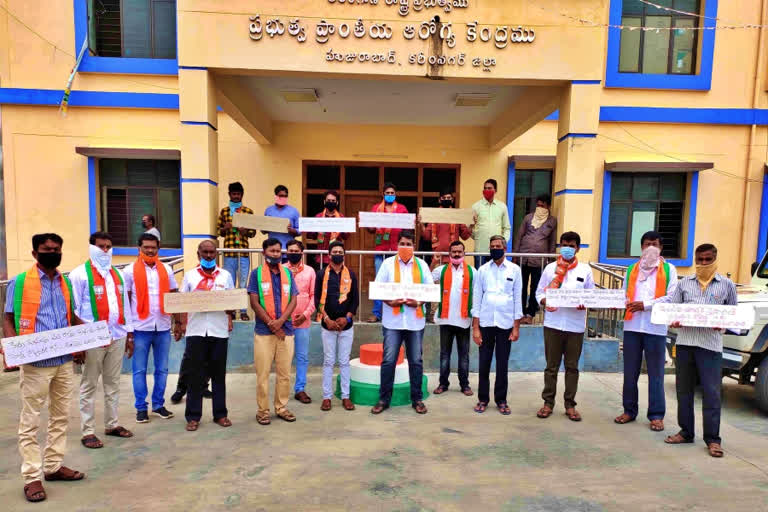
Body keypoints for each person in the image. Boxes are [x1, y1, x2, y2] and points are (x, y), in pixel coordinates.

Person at [2, 233, 86, 503]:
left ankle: (52, 466)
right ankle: (32, 477)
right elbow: (7, 318)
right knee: (30, 421)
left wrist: (90, 333)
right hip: (35, 363)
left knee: (61, 416)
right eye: (46, 249)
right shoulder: (20, 281)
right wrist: (12, 347)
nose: (52, 252)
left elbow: (70, 315)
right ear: (35, 253)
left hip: (63, 361)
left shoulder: (66, 282)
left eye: (56, 248)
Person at [664, 243, 737, 458]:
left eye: (708, 259)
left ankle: (713, 439)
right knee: (683, 390)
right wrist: (674, 322)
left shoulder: (727, 285)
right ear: (695, 259)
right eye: (700, 259)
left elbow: (733, 315)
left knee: (712, 393)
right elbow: (672, 311)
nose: (703, 263)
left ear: (715, 259)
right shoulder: (684, 284)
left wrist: (723, 324)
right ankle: (686, 432)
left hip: (710, 346)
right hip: (685, 343)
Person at [69, 232, 135, 449]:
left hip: (117, 335)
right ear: (91, 247)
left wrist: (130, 334)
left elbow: (125, 305)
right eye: (101, 247)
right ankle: (87, 431)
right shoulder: (79, 275)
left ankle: (112, 424)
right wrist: (78, 344)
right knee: (89, 385)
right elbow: (73, 310)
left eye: (109, 246)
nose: (105, 250)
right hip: (92, 338)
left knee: (113, 383)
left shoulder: (118, 274)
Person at [614, 231, 677, 431]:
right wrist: (621, 302)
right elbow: (624, 293)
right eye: (647, 244)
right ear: (641, 247)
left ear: (660, 248)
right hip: (632, 326)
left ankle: (656, 415)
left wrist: (646, 305)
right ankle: (629, 410)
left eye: (655, 244)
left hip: (655, 328)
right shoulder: (632, 269)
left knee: (656, 373)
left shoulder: (669, 269)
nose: (651, 247)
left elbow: (671, 296)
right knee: (630, 372)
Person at [535, 231, 594, 422]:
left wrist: (585, 302)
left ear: (578, 248)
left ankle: (570, 404)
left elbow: (590, 295)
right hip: (553, 323)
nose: (568, 248)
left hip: (575, 326)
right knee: (551, 367)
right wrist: (545, 301)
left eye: (572, 244)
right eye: (564, 244)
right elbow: (538, 293)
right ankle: (548, 403)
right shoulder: (550, 268)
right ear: (560, 246)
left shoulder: (585, 270)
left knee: (572, 367)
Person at [370, 231, 432, 415]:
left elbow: (429, 290)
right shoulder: (388, 264)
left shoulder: (422, 265)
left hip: (415, 322)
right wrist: (390, 302)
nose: (405, 247)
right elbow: (378, 289)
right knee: (388, 361)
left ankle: (417, 399)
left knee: (416, 361)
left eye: (409, 244)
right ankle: (383, 399)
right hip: (393, 322)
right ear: (397, 245)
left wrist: (419, 302)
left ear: (414, 246)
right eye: (402, 243)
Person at [177, 240, 235, 431]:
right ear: (198, 253)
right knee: (195, 375)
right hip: (196, 331)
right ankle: (193, 417)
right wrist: (181, 323)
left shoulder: (225, 276)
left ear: (216, 254)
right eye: (205, 252)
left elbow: (232, 300)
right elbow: (180, 302)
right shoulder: (189, 276)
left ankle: (220, 414)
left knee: (219, 374)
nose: (209, 256)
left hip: (219, 331)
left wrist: (230, 314)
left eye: (212, 252)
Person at [123, 233, 179, 424]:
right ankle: (141, 407)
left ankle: (158, 405)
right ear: (139, 248)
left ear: (158, 248)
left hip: (163, 326)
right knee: (139, 370)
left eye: (153, 247)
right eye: (146, 247)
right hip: (140, 328)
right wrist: (128, 331)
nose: (150, 250)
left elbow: (173, 294)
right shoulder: (129, 271)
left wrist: (178, 321)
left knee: (162, 369)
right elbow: (126, 300)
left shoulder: (167, 269)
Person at [248, 238, 299, 425]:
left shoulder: (287, 273)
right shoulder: (256, 274)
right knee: (263, 374)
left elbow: (294, 299)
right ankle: (262, 410)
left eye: (278, 251)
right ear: (264, 253)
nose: (276, 254)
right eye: (272, 251)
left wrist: (280, 322)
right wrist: (271, 323)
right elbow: (254, 302)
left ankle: (281, 407)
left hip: (286, 331)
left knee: (284, 373)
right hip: (264, 332)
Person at [470, 236, 522, 414]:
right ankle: (482, 399)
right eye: (492, 246)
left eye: (498, 246)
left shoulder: (515, 270)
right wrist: (475, 328)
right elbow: (476, 299)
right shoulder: (482, 270)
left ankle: (501, 400)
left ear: (505, 248)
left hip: (505, 323)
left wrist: (516, 327)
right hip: (485, 323)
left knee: (502, 364)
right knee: (484, 363)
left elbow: (517, 299)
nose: (494, 249)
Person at [315, 241, 359, 411]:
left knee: (344, 361)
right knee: (328, 361)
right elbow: (317, 298)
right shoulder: (321, 275)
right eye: (335, 251)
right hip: (327, 325)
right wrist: (327, 319)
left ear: (344, 255)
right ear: (329, 254)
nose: (338, 254)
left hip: (346, 326)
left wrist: (346, 319)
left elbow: (355, 300)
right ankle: (327, 397)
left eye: (341, 251)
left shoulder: (351, 274)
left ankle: (346, 397)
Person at [431, 241, 476, 397]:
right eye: (454, 252)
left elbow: (477, 294)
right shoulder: (441, 270)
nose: (456, 254)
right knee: (445, 354)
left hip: (464, 320)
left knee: (464, 355)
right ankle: (443, 384)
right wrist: (434, 261)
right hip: (445, 319)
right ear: (449, 253)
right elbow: (427, 280)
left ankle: (465, 385)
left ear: (464, 254)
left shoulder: (472, 272)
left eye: (459, 252)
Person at [366, 182, 409, 323]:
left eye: (392, 193)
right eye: (387, 193)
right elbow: (371, 230)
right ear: (383, 194)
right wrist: (366, 223)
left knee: (398, 281)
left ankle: (398, 310)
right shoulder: (376, 209)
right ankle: (377, 313)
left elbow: (407, 229)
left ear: (395, 195)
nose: (390, 195)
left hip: (398, 252)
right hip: (381, 252)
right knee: (380, 282)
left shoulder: (402, 209)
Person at [513, 194, 557, 324]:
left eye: (542, 206)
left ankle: (530, 313)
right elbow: (519, 236)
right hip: (523, 258)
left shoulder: (552, 221)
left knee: (535, 287)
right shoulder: (528, 218)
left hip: (539, 260)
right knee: (521, 286)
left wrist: (552, 262)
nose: (540, 208)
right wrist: (515, 256)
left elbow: (552, 241)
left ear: (548, 206)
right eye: (538, 205)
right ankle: (519, 313)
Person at [217, 181, 256, 321]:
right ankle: (231, 311)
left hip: (243, 252)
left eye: (238, 194)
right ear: (229, 194)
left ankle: (244, 311)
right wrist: (225, 228)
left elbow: (253, 233)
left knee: (243, 283)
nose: (236, 196)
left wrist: (245, 231)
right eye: (233, 194)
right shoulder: (224, 211)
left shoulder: (248, 211)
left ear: (242, 195)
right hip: (229, 253)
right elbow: (218, 232)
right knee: (230, 282)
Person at [285, 240, 316, 404]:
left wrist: (305, 314)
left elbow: (313, 296)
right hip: (285, 321)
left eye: (296, 250)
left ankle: (300, 389)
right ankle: (282, 390)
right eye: (291, 250)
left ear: (301, 253)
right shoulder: (282, 269)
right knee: (284, 357)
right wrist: (284, 317)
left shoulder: (310, 271)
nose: (293, 253)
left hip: (303, 321)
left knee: (302, 356)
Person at [421, 188, 472, 267]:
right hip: (437, 259)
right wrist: (421, 224)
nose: (446, 199)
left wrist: (472, 224)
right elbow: (426, 236)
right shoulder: (434, 215)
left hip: (455, 258)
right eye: (444, 198)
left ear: (452, 200)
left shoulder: (457, 215)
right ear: (439, 200)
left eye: (448, 198)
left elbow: (465, 236)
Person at [471, 179, 511, 268]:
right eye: (485, 188)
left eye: (489, 188)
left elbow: (507, 228)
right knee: (480, 277)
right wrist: (477, 236)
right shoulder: (475, 207)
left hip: (497, 250)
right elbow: (470, 228)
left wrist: (502, 242)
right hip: (480, 251)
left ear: (495, 190)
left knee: (496, 277)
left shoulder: (502, 207)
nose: (487, 190)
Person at [307, 190, 349, 267]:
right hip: (320, 257)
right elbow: (311, 235)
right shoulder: (318, 217)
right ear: (324, 202)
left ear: (337, 203)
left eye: (333, 201)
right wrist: (314, 229)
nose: (331, 202)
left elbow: (346, 236)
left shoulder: (341, 218)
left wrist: (342, 228)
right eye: (328, 200)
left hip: (336, 256)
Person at [263, 185, 300, 258]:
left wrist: (291, 230)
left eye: (285, 196)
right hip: (272, 251)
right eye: (281, 196)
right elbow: (263, 231)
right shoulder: (269, 210)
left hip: (288, 251)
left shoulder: (294, 211)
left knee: (286, 270)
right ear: (276, 196)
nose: (283, 198)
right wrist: (266, 227)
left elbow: (300, 231)